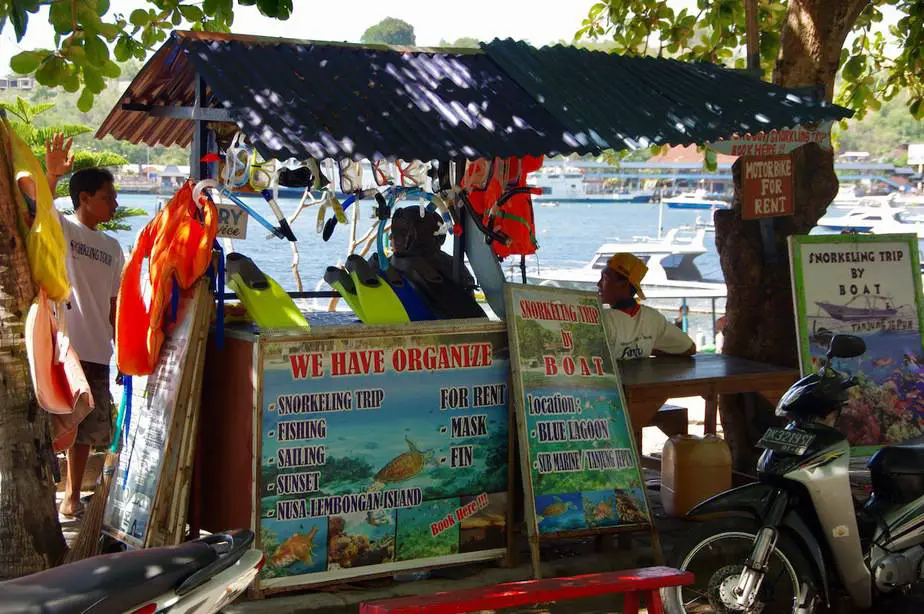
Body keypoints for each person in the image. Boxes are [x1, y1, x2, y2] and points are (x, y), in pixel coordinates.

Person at [46, 136, 124, 518]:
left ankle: (72, 495)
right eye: (108, 196)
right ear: (85, 198)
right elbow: (40, 212)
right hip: (65, 347)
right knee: (56, 423)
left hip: (98, 349)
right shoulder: (67, 231)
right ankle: (50, 490)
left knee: (87, 432)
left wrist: (121, 347)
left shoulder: (113, 247)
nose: (114, 203)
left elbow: (114, 304)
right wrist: (52, 175)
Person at [597, 253, 696, 360]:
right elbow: (689, 348)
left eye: (605, 279)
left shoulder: (602, 319)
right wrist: (646, 348)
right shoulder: (653, 319)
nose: (599, 284)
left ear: (624, 285)